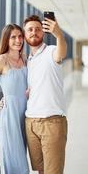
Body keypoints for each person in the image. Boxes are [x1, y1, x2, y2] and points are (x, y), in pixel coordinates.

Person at [23, 15, 68, 174]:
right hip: (31, 123)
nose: (34, 32)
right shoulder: (27, 60)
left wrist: (59, 35)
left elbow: (61, 52)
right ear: (25, 34)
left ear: (43, 32)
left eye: (37, 29)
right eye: (30, 29)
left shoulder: (51, 51)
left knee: (53, 172)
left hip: (52, 123)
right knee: (41, 170)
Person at [0, 24, 29, 174]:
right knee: (17, 165)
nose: (18, 40)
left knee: (22, 158)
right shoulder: (1, 60)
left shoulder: (25, 59)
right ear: (6, 40)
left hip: (26, 116)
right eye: (13, 37)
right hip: (9, 117)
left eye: (20, 36)